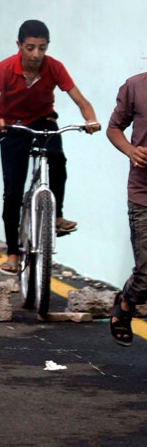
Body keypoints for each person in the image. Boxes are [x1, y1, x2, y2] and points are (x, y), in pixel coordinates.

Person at [0, 20, 100, 275]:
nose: (36, 55)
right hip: (12, 126)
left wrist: (91, 120)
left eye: (42, 48)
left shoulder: (54, 67)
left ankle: (56, 217)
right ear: (19, 45)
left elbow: (81, 100)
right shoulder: (4, 69)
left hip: (44, 120)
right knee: (13, 191)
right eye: (30, 48)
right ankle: (12, 251)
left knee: (57, 158)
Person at [105, 71, 147, 346]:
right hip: (143, 194)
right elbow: (113, 128)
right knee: (146, 275)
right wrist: (131, 151)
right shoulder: (135, 86)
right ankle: (127, 302)